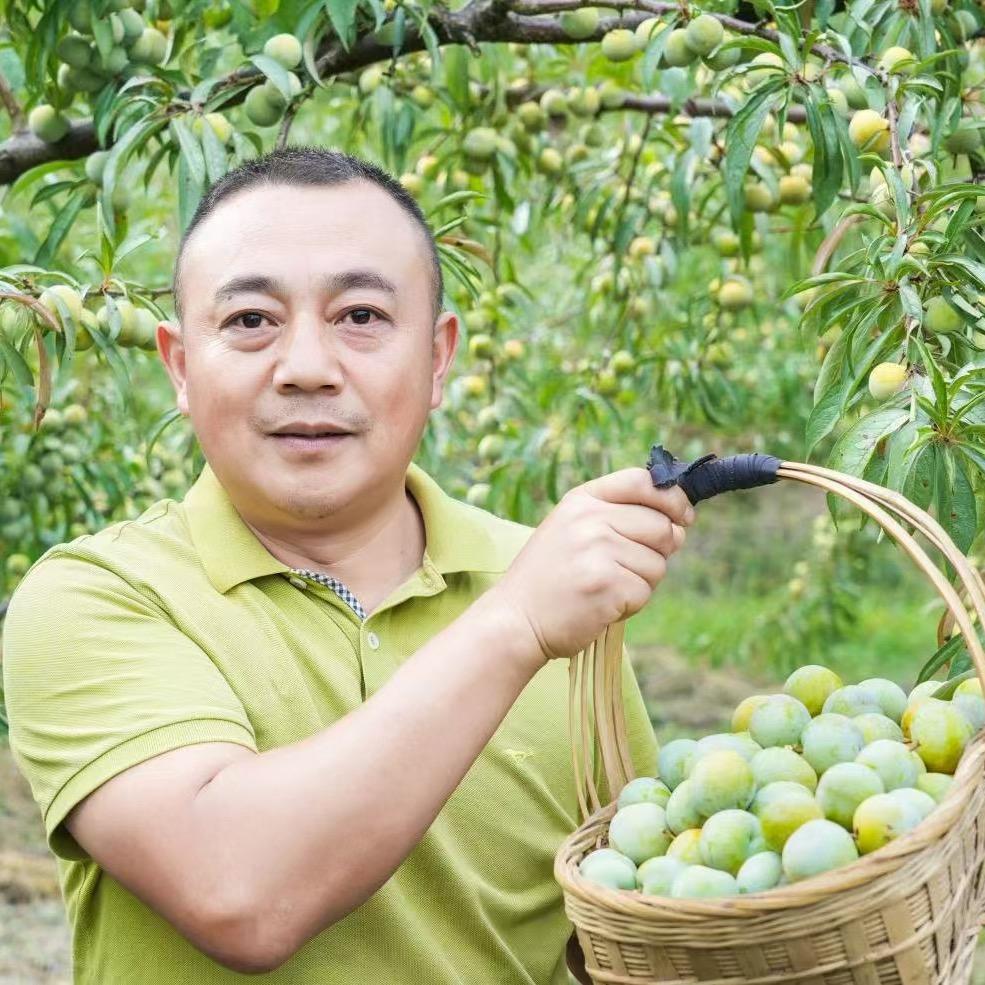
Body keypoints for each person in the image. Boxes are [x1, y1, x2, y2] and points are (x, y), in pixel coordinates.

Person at [1, 146, 695, 984]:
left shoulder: (556, 590)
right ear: (181, 366)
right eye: (251, 320)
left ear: (437, 359)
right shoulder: (96, 598)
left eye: (360, 315)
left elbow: (628, 923)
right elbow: (239, 891)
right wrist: (514, 625)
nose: (306, 369)